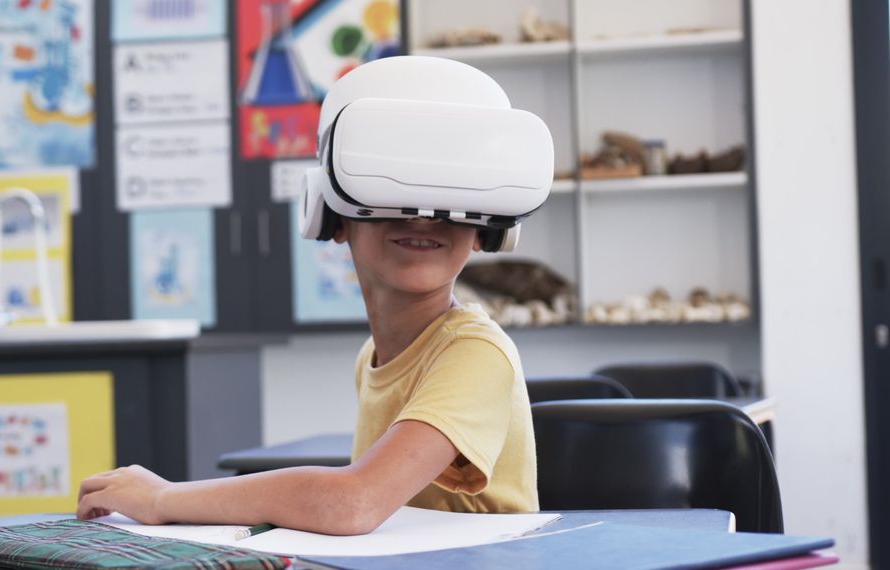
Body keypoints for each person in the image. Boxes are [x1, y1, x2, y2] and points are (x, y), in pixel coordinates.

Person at [76, 55, 553, 535]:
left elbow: (354, 503)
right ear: (330, 214)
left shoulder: (476, 352)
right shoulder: (374, 355)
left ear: (486, 231)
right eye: (386, 188)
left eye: (455, 199)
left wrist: (164, 498)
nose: (423, 217)